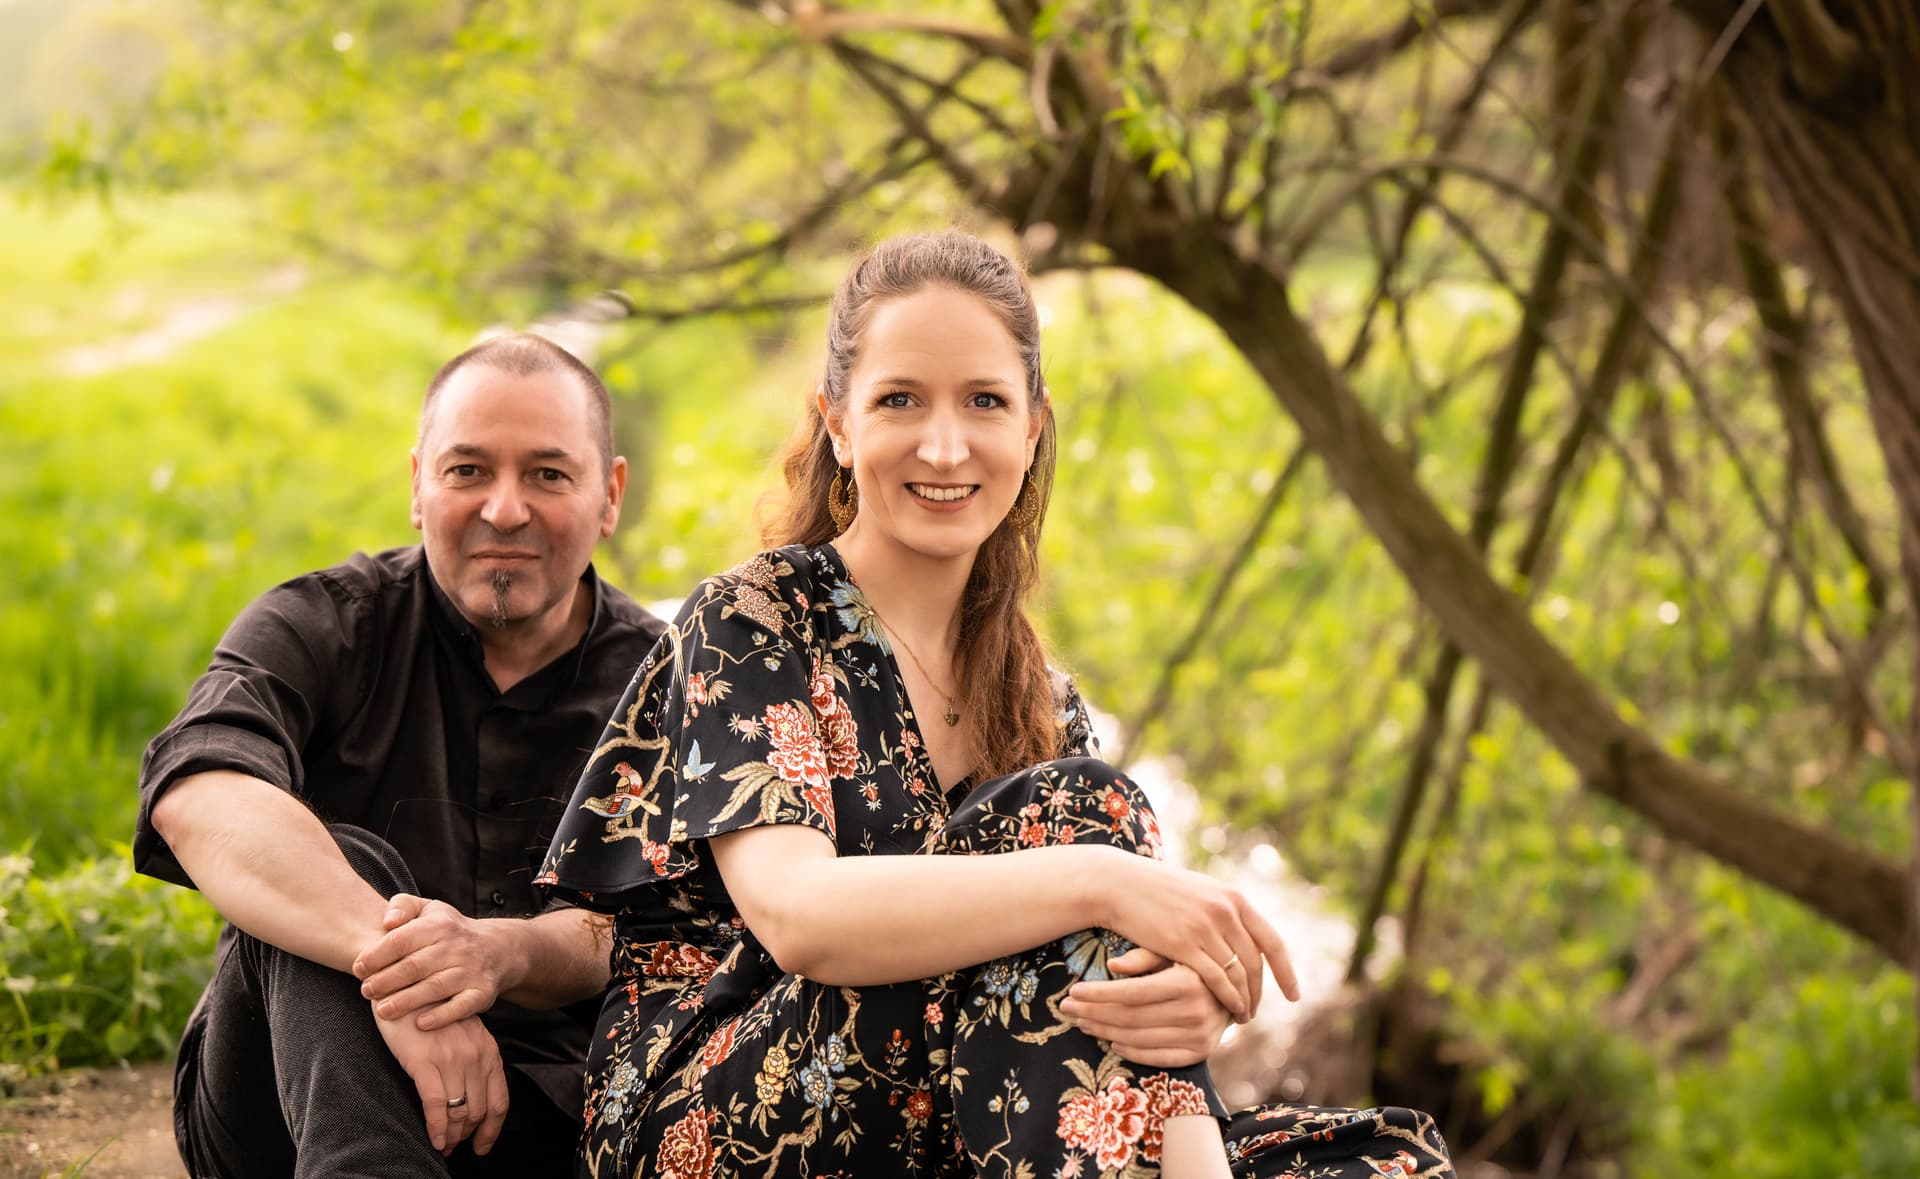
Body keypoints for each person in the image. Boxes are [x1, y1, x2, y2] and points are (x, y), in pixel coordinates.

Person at [539, 231, 1455, 1177]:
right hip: (719, 1109)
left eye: (984, 401)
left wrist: (1179, 1002)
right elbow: (799, 917)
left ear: (1031, 428)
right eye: (900, 399)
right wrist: (1105, 882)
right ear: (838, 423)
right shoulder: (754, 619)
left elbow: (1095, 986)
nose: (945, 445)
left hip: (957, 1097)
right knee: (1083, 813)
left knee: (1386, 1159)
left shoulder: (1041, 700)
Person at [134, 333, 666, 1177]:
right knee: (336, 861)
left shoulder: (675, 681)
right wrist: (411, 978)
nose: (505, 509)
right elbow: (199, 790)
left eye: (547, 474)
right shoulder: (322, 623)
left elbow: (659, 924)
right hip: (279, 1113)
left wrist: (497, 955)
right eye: (467, 470)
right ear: (418, 484)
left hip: (548, 1117)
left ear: (611, 494)